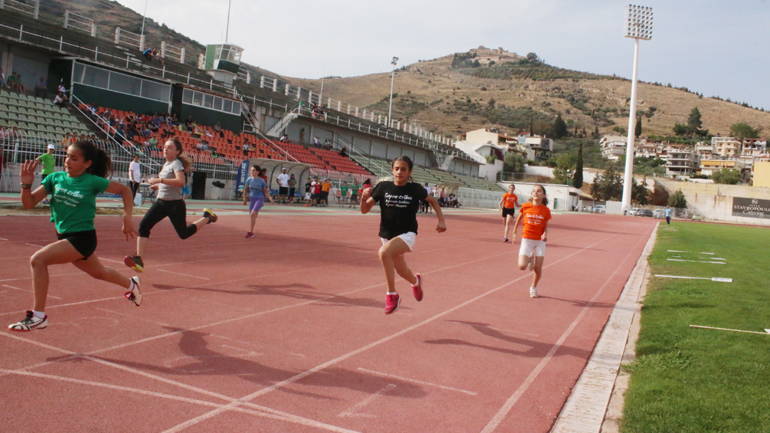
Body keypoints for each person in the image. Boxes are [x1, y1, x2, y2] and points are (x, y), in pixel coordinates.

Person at [8, 141, 142, 332]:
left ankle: (38, 316)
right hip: (64, 237)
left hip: (83, 238)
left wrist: (127, 218)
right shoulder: (54, 178)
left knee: (38, 260)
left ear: (87, 163)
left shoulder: (92, 181)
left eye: (74, 158)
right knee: (99, 273)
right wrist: (26, 184)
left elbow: (125, 190)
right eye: (67, 156)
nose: (67, 161)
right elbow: (29, 203)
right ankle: (132, 284)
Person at [361, 156, 446, 314]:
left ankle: (392, 295)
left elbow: (433, 201)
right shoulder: (382, 187)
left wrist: (441, 220)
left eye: (404, 169)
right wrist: (363, 198)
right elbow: (365, 209)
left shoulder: (414, 189)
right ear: (392, 170)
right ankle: (415, 282)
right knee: (401, 269)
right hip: (386, 235)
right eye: (397, 169)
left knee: (384, 253)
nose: (399, 172)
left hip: (407, 234)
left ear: (410, 172)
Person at [124, 138, 217, 273]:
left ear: (177, 151)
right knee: (144, 225)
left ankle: (207, 217)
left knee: (183, 234)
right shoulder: (166, 164)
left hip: (175, 205)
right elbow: (168, 183)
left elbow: (180, 182)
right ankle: (139, 259)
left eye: (169, 147)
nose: (165, 149)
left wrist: (160, 180)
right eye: (165, 147)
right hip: (161, 203)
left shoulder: (176, 163)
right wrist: (158, 185)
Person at [512, 184, 552, 298]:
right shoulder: (525, 206)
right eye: (534, 191)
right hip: (527, 239)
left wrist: (545, 234)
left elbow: (546, 226)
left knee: (538, 269)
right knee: (522, 266)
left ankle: (533, 287)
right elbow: (519, 217)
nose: (536, 192)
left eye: (539, 191)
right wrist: (514, 231)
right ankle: (530, 258)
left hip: (539, 242)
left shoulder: (546, 210)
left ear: (543, 195)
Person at [243, 165, 274, 238]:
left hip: (260, 199)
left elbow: (266, 192)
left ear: (257, 172)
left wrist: (270, 199)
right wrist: (244, 199)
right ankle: (252, 232)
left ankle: (250, 232)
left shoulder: (261, 181)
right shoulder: (249, 180)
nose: (251, 172)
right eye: (251, 170)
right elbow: (245, 189)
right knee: (252, 216)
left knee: (253, 213)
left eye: (253, 170)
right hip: (252, 199)